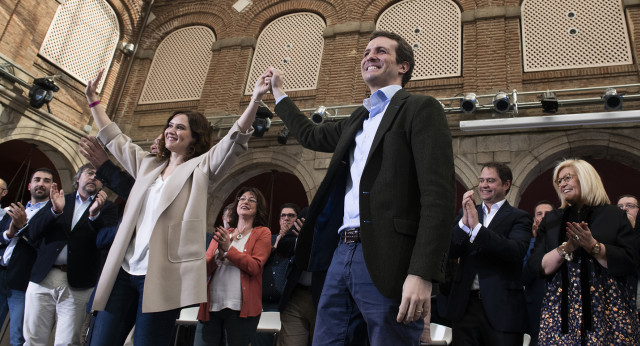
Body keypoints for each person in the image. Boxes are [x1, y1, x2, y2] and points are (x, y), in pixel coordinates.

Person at [268, 30, 455, 345]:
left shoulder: (421, 108)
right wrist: (278, 94)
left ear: (403, 66)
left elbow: (437, 197)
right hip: (342, 253)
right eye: (367, 51)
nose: (369, 55)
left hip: (388, 256)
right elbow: (311, 135)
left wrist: (422, 273)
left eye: (381, 51)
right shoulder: (359, 118)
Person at [85, 67, 273, 346]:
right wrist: (93, 102)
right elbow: (115, 138)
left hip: (161, 276)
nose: (171, 130)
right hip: (124, 272)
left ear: (194, 137)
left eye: (180, 127)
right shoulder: (148, 164)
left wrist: (255, 100)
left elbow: (234, 140)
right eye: (170, 125)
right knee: (101, 341)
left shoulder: (201, 168)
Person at [528, 159, 640, 344]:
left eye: (567, 178)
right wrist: (566, 248)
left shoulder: (614, 215)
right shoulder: (552, 219)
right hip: (561, 311)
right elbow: (536, 266)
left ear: (586, 178)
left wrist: (594, 247)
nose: (562, 184)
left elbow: (630, 261)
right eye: (559, 181)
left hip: (607, 308)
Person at [23, 164, 118, 346]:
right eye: (90, 173)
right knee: (33, 338)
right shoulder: (58, 200)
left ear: (102, 185)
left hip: (78, 283)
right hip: (44, 277)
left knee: (67, 341)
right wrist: (55, 211)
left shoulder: (108, 209)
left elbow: (106, 241)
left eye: (98, 177)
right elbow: (33, 232)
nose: (93, 178)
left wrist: (94, 216)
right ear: (77, 179)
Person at [444, 162, 532, 345]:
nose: (484, 185)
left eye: (491, 180)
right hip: (465, 306)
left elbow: (514, 251)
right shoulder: (467, 213)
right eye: (481, 180)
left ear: (506, 184)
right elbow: (450, 251)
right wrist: (463, 225)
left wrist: (477, 229)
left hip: (502, 308)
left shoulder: (519, 217)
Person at [194, 187, 271, 346]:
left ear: (258, 208)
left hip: (240, 309)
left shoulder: (262, 232)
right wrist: (219, 255)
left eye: (252, 200)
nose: (246, 202)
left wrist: (229, 249)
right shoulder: (223, 233)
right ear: (236, 205)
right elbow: (205, 270)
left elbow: (255, 267)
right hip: (212, 305)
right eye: (242, 198)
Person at [0, 168, 55, 346]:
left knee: (19, 335)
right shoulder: (15, 209)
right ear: (29, 185)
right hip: (2, 275)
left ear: (52, 186)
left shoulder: (53, 214)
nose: (41, 184)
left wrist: (23, 227)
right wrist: (9, 233)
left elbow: (46, 246)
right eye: (37, 180)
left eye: (46, 181)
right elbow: (1, 237)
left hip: (24, 281)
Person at [274, 204, 317, 346]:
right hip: (296, 296)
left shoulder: (344, 212)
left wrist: (316, 242)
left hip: (325, 298)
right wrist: (302, 241)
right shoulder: (308, 211)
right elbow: (283, 245)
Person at [523, 200, 554, 346]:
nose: (543, 217)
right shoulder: (528, 245)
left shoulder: (564, 243)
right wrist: (536, 241)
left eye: (547, 214)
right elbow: (525, 276)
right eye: (539, 214)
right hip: (535, 313)